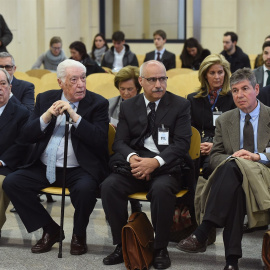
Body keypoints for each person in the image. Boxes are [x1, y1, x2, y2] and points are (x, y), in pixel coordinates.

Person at [3, 59, 109, 255]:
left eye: (83, 79)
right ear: (60, 82)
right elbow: (26, 135)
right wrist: (47, 116)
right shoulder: (45, 98)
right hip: (44, 166)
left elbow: (100, 140)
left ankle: (79, 235)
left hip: (80, 168)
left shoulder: (98, 103)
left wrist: (76, 118)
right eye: (74, 79)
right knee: (12, 182)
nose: (80, 84)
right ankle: (50, 229)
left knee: (86, 190)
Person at [101, 60, 191, 269]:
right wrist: (133, 158)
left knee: (161, 191)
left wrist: (155, 162)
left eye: (162, 79)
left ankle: (160, 248)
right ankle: (121, 244)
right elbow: (119, 142)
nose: (158, 84)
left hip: (165, 167)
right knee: (109, 186)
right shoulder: (129, 105)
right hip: (135, 165)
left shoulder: (180, 105)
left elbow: (182, 144)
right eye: (152, 80)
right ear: (141, 81)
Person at [178, 68, 270, 270]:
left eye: (245, 89)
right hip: (234, 177)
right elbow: (214, 156)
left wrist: (256, 156)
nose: (239, 95)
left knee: (233, 170)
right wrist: (234, 158)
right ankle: (231, 262)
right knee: (234, 184)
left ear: (256, 89)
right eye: (235, 91)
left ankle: (204, 231)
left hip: (265, 175)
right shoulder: (225, 120)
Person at [187, 54, 235, 179]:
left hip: (220, 148)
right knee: (184, 168)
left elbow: (235, 130)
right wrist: (197, 145)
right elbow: (188, 129)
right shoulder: (192, 99)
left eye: (220, 72)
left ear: (225, 74)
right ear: (205, 75)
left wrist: (215, 145)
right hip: (197, 147)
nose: (217, 77)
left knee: (211, 168)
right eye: (212, 73)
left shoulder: (233, 98)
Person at [0, 68, 30, 238]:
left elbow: (21, 145)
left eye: (3, 84)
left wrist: (1, 161)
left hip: (6, 165)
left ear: (10, 87)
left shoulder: (21, 113)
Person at [108, 65, 142, 213]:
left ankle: (134, 203)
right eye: (122, 89)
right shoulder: (110, 104)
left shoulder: (144, 105)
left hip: (136, 150)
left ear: (139, 88)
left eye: (130, 89)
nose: (125, 93)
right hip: (113, 149)